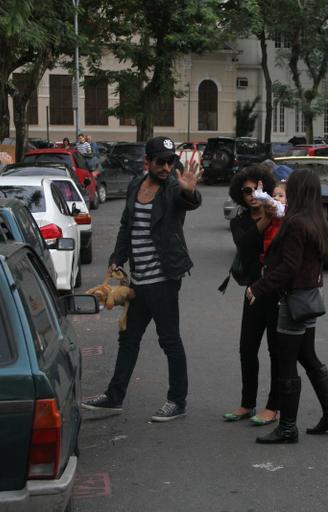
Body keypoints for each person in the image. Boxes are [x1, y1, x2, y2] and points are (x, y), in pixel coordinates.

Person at [81, 136, 203, 422]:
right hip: (138, 281)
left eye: (170, 162)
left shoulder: (173, 187)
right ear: (147, 161)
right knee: (128, 339)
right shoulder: (136, 185)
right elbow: (126, 225)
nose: (165, 167)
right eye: (160, 161)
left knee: (169, 340)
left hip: (164, 280)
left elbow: (190, 201)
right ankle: (114, 397)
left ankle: (177, 400)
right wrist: (115, 259)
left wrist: (190, 191)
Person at [246, 169, 328, 444]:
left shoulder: (296, 223)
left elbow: (289, 267)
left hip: (294, 300)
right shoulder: (316, 220)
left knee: (286, 363)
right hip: (310, 298)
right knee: (307, 356)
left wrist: (258, 287)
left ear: (299, 192)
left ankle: (288, 427)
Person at [223, 165, 281, 426]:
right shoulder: (240, 222)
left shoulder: (281, 215)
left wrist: (271, 216)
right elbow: (245, 245)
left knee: (277, 351)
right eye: (246, 191)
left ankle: (273, 407)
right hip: (252, 291)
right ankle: (247, 403)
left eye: (257, 188)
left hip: (277, 291)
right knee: (247, 349)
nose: (252, 194)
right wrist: (265, 221)